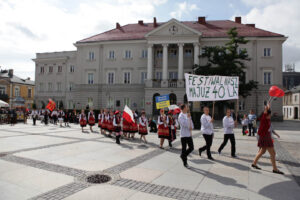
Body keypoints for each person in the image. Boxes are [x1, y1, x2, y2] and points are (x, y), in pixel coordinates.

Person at [252, 103, 284, 174]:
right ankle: (275, 169)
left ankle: (254, 163)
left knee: (262, 151)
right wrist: (266, 108)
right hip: (265, 137)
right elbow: (265, 112)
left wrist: (269, 107)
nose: (270, 116)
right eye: (269, 114)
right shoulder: (264, 118)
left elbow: (267, 111)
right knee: (273, 153)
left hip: (265, 136)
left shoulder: (267, 119)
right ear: (266, 114)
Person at [178, 104, 194, 168]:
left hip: (189, 134)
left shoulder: (188, 114)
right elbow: (184, 124)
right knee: (184, 149)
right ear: (184, 108)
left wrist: (191, 127)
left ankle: (183, 155)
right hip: (183, 135)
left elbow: (191, 122)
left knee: (191, 147)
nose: (187, 108)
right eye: (186, 107)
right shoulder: (180, 116)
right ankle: (185, 163)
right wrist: (188, 118)